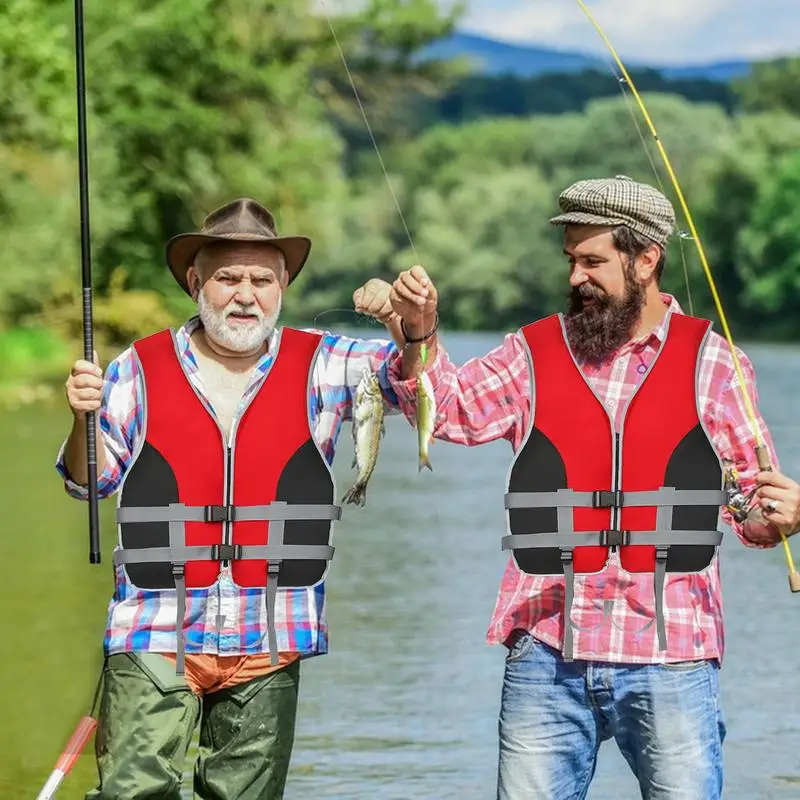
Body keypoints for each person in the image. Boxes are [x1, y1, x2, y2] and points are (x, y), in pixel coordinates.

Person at [371, 175, 800, 800]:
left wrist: (783, 515)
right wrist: (417, 335)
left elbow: (750, 514)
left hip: (673, 654)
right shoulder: (531, 351)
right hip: (547, 652)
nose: (576, 277)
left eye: (594, 261)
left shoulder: (717, 364)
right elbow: (452, 410)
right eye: (571, 260)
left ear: (646, 259)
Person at [57, 197, 412, 800]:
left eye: (262, 279)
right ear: (196, 283)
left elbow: (418, 386)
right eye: (227, 278)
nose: (245, 294)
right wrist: (80, 419)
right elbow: (88, 482)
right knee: (132, 792)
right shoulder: (136, 367)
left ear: (283, 288)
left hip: (272, 633)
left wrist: (407, 323)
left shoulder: (329, 363)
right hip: (154, 629)